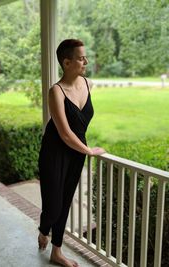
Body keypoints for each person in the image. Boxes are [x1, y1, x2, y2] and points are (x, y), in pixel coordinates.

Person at [38, 39, 106, 267]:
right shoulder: (55, 92)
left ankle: (56, 252)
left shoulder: (88, 84)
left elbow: (77, 129)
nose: (86, 61)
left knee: (65, 202)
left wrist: (84, 151)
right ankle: (44, 227)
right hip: (54, 152)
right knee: (54, 204)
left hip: (76, 153)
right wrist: (90, 150)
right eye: (80, 58)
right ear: (67, 62)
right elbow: (65, 134)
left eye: (85, 56)